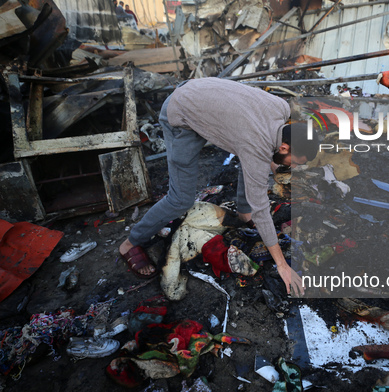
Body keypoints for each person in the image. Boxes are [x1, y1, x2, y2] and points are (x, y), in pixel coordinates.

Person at [119, 78, 318, 296]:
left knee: (254, 161)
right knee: (180, 199)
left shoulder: (282, 108)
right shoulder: (255, 146)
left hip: (198, 93)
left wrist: (273, 163)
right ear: (284, 146)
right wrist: (282, 265)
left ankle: (243, 213)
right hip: (180, 113)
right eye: (295, 162)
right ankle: (130, 243)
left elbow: (262, 149)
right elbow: (261, 207)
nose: (293, 167)